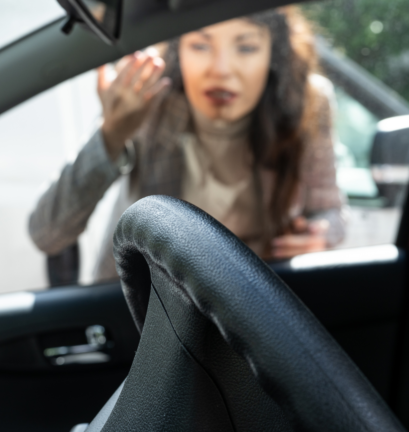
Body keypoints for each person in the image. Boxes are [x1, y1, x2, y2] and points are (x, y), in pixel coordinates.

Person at [29, 6, 346, 282]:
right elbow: (48, 233)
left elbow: (329, 211)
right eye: (200, 45)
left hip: (258, 319)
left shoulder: (307, 104)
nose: (221, 70)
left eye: (246, 47)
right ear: (178, 49)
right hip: (151, 314)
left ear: (273, 52)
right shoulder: (149, 100)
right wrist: (112, 134)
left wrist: (320, 237)